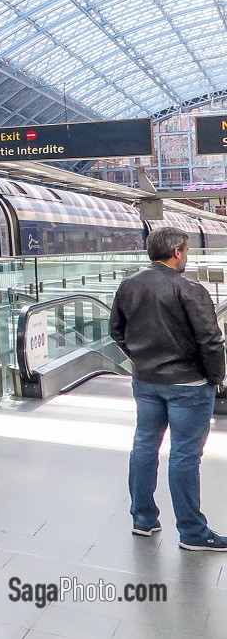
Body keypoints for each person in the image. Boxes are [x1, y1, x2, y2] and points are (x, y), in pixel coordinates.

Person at [110, 226, 226, 551]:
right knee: (185, 454)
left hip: (146, 382)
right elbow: (211, 340)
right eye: (185, 252)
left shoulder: (128, 285)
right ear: (177, 252)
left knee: (145, 446)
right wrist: (215, 378)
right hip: (188, 385)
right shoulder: (189, 288)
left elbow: (116, 331)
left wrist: (140, 359)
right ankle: (192, 532)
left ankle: (143, 520)